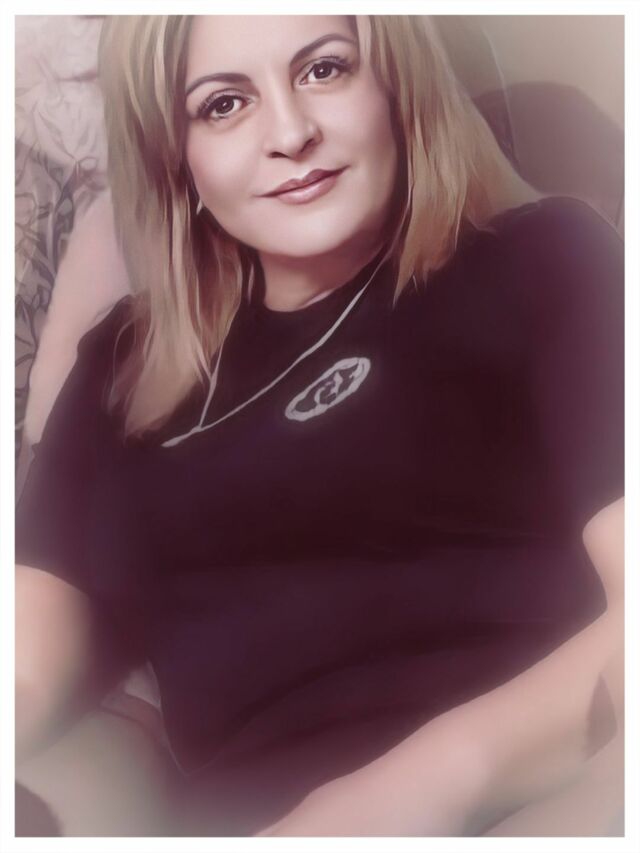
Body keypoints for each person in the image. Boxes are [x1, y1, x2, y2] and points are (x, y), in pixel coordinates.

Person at [15, 14, 624, 837]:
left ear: (394, 80)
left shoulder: (544, 257)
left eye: (325, 69)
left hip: (547, 803)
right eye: (223, 104)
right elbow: (26, 663)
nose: (291, 132)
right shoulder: (118, 373)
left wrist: (413, 791)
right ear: (175, 153)